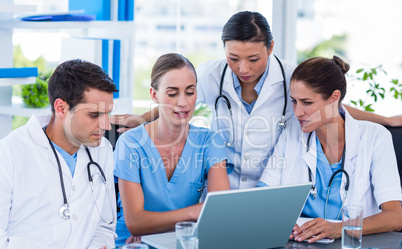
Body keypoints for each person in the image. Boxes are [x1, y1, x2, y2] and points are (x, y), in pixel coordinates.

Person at [111, 11, 402, 190]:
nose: (243, 69)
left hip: (272, 184)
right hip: (222, 186)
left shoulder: (291, 77)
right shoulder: (212, 74)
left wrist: (387, 120)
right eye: (233, 58)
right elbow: (176, 95)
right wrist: (141, 118)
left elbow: (328, 105)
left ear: (271, 47)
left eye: (253, 59)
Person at [259, 56, 402, 243]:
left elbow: (395, 218)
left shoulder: (375, 137)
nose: (297, 112)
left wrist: (339, 228)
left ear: (334, 98)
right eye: (294, 101)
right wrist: (278, 222)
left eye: (307, 102)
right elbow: (263, 201)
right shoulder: (291, 132)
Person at [0, 59, 117, 249]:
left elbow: (105, 227)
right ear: (61, 108)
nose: (107, 125)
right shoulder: (9, 154)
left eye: (108, 113)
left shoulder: (103, 151)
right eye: (94, 115)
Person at [113, 53, 231, 244]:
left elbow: (218, 212)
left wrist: (154, 223)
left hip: (183, 242)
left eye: (190, 92)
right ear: (154, 95)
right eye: (172, 93)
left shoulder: (210, 142)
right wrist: (194, 212)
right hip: (134, 247)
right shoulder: (130, 143)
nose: (183, 103)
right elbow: (135, 223)